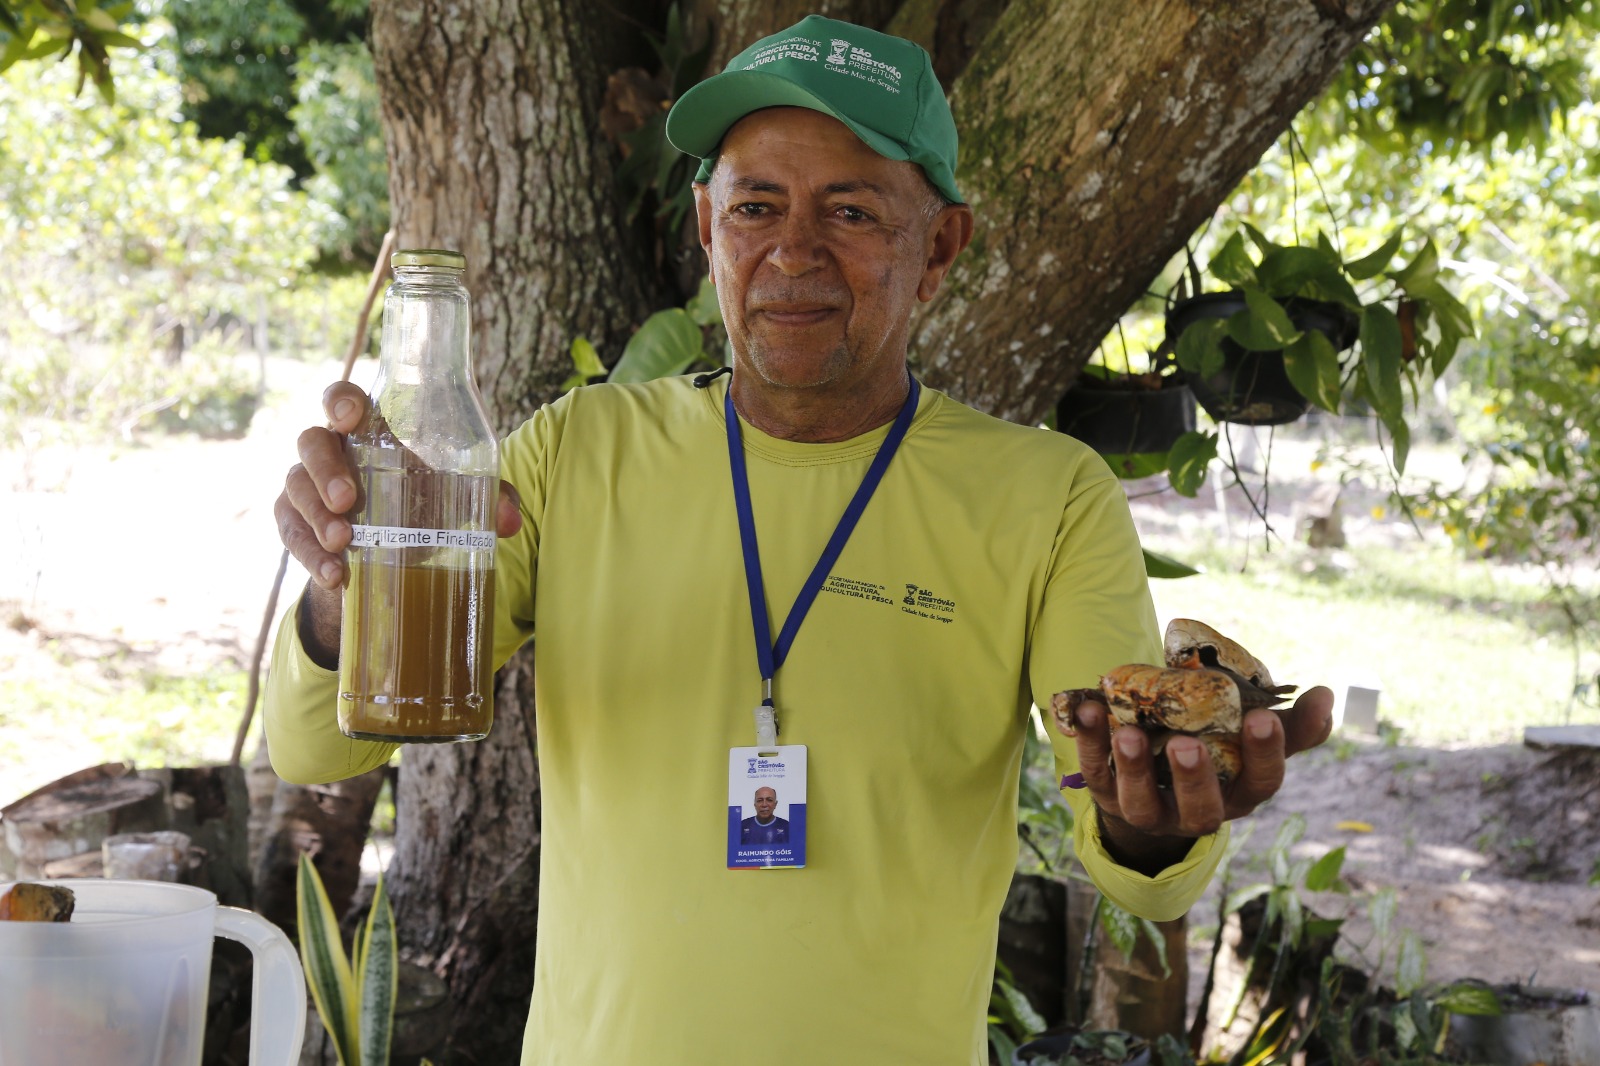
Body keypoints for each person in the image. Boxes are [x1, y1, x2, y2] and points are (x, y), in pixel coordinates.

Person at [267, 14, 1333, 1065]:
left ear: (940, 248)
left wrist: (1161, 811)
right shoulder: (573, 456)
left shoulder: (1046, 497)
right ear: (705, 225)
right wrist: (338, 585)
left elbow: (1135, 834)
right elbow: (324, 747)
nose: (792, 251)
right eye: (755, 206)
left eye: (853, 211)